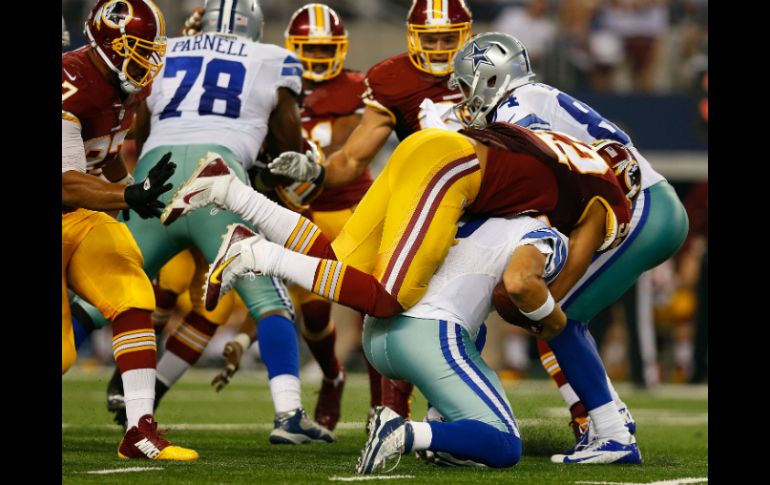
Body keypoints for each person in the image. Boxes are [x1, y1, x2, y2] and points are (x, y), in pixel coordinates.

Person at [102, 0, 334, 445]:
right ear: (254, 27)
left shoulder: (166, 49)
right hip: (220, 177)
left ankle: (138, 389)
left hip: (156, 173)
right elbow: (287, 140)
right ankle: (288, 414)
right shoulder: (272, 58)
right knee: (271, 301)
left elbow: (144, 127)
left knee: (96, 295)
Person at [449, 32, 688, 463]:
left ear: (490, 79)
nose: (466, 98)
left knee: (559, 317)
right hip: (641, 207)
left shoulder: (521, 108)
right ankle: (604, 424)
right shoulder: (529, 101)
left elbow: (576, 181)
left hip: (639, 207)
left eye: (468, 86)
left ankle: (614, 435)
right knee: (551, 319)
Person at [268, 0, 475, 419]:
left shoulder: (489, 64)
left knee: (530, 303)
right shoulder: (392, 79)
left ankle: (592, 416)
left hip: (492, 202)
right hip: (429, 205)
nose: (438, 47)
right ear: (413, 36)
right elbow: (351, 160)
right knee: (378, 299)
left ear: (467, 36)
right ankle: (390, 411)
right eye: (430, 37)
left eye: (447, 38)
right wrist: (315, 170)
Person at [62, 0, 197, 461]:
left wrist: (134, 191)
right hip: (69, 201)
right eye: (138, 49)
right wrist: (128, 195)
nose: (148, 61)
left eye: (151, 50)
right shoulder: (71, 83)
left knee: (134, 293)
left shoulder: (125, 88)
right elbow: (67, 182)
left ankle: (139, 429)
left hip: (81, 217)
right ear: (105, 43)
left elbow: (106, 153)